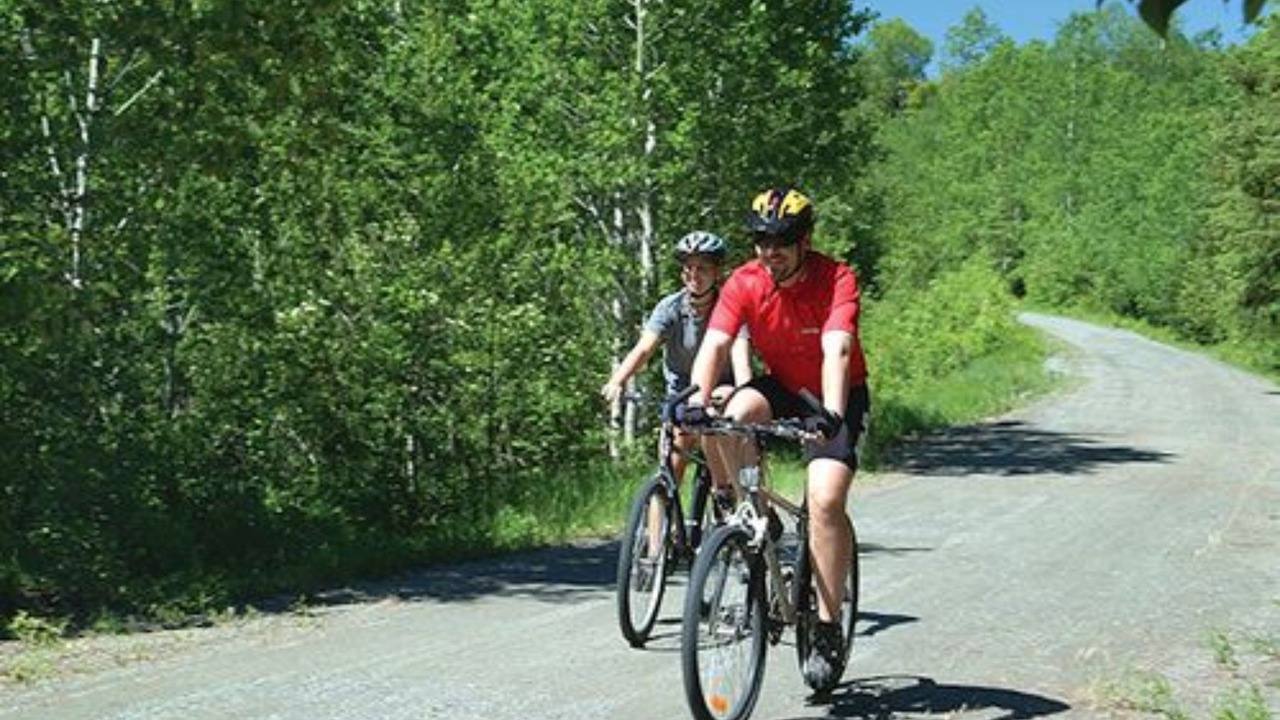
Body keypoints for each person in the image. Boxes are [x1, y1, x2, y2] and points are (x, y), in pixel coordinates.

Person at [683, 187, 870, 691]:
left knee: (825, 499)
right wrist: (695, 400)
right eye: (762, 240)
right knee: (731, 413)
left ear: (804, 241)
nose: (770, 251)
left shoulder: (837, 278)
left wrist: (830, 414)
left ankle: (828, 627)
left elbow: (838, 347)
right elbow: (717, 341)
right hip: (783, 386)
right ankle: (753, 517)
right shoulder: (745, 280)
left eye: (782, 241)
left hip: (836, 395)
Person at [601, 231, 752, 490]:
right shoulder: (670, 308)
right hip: (681, 391)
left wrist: (746, 394)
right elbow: (643, 350)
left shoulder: (730, 308)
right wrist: (618, 381)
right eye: (688, 267)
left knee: (711, 418)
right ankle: (656, 529)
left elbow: (741, 359)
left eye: (702, 268)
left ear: (717, 272)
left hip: (721, 388)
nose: (694, 274)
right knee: (670, 466)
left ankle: (723, 491)